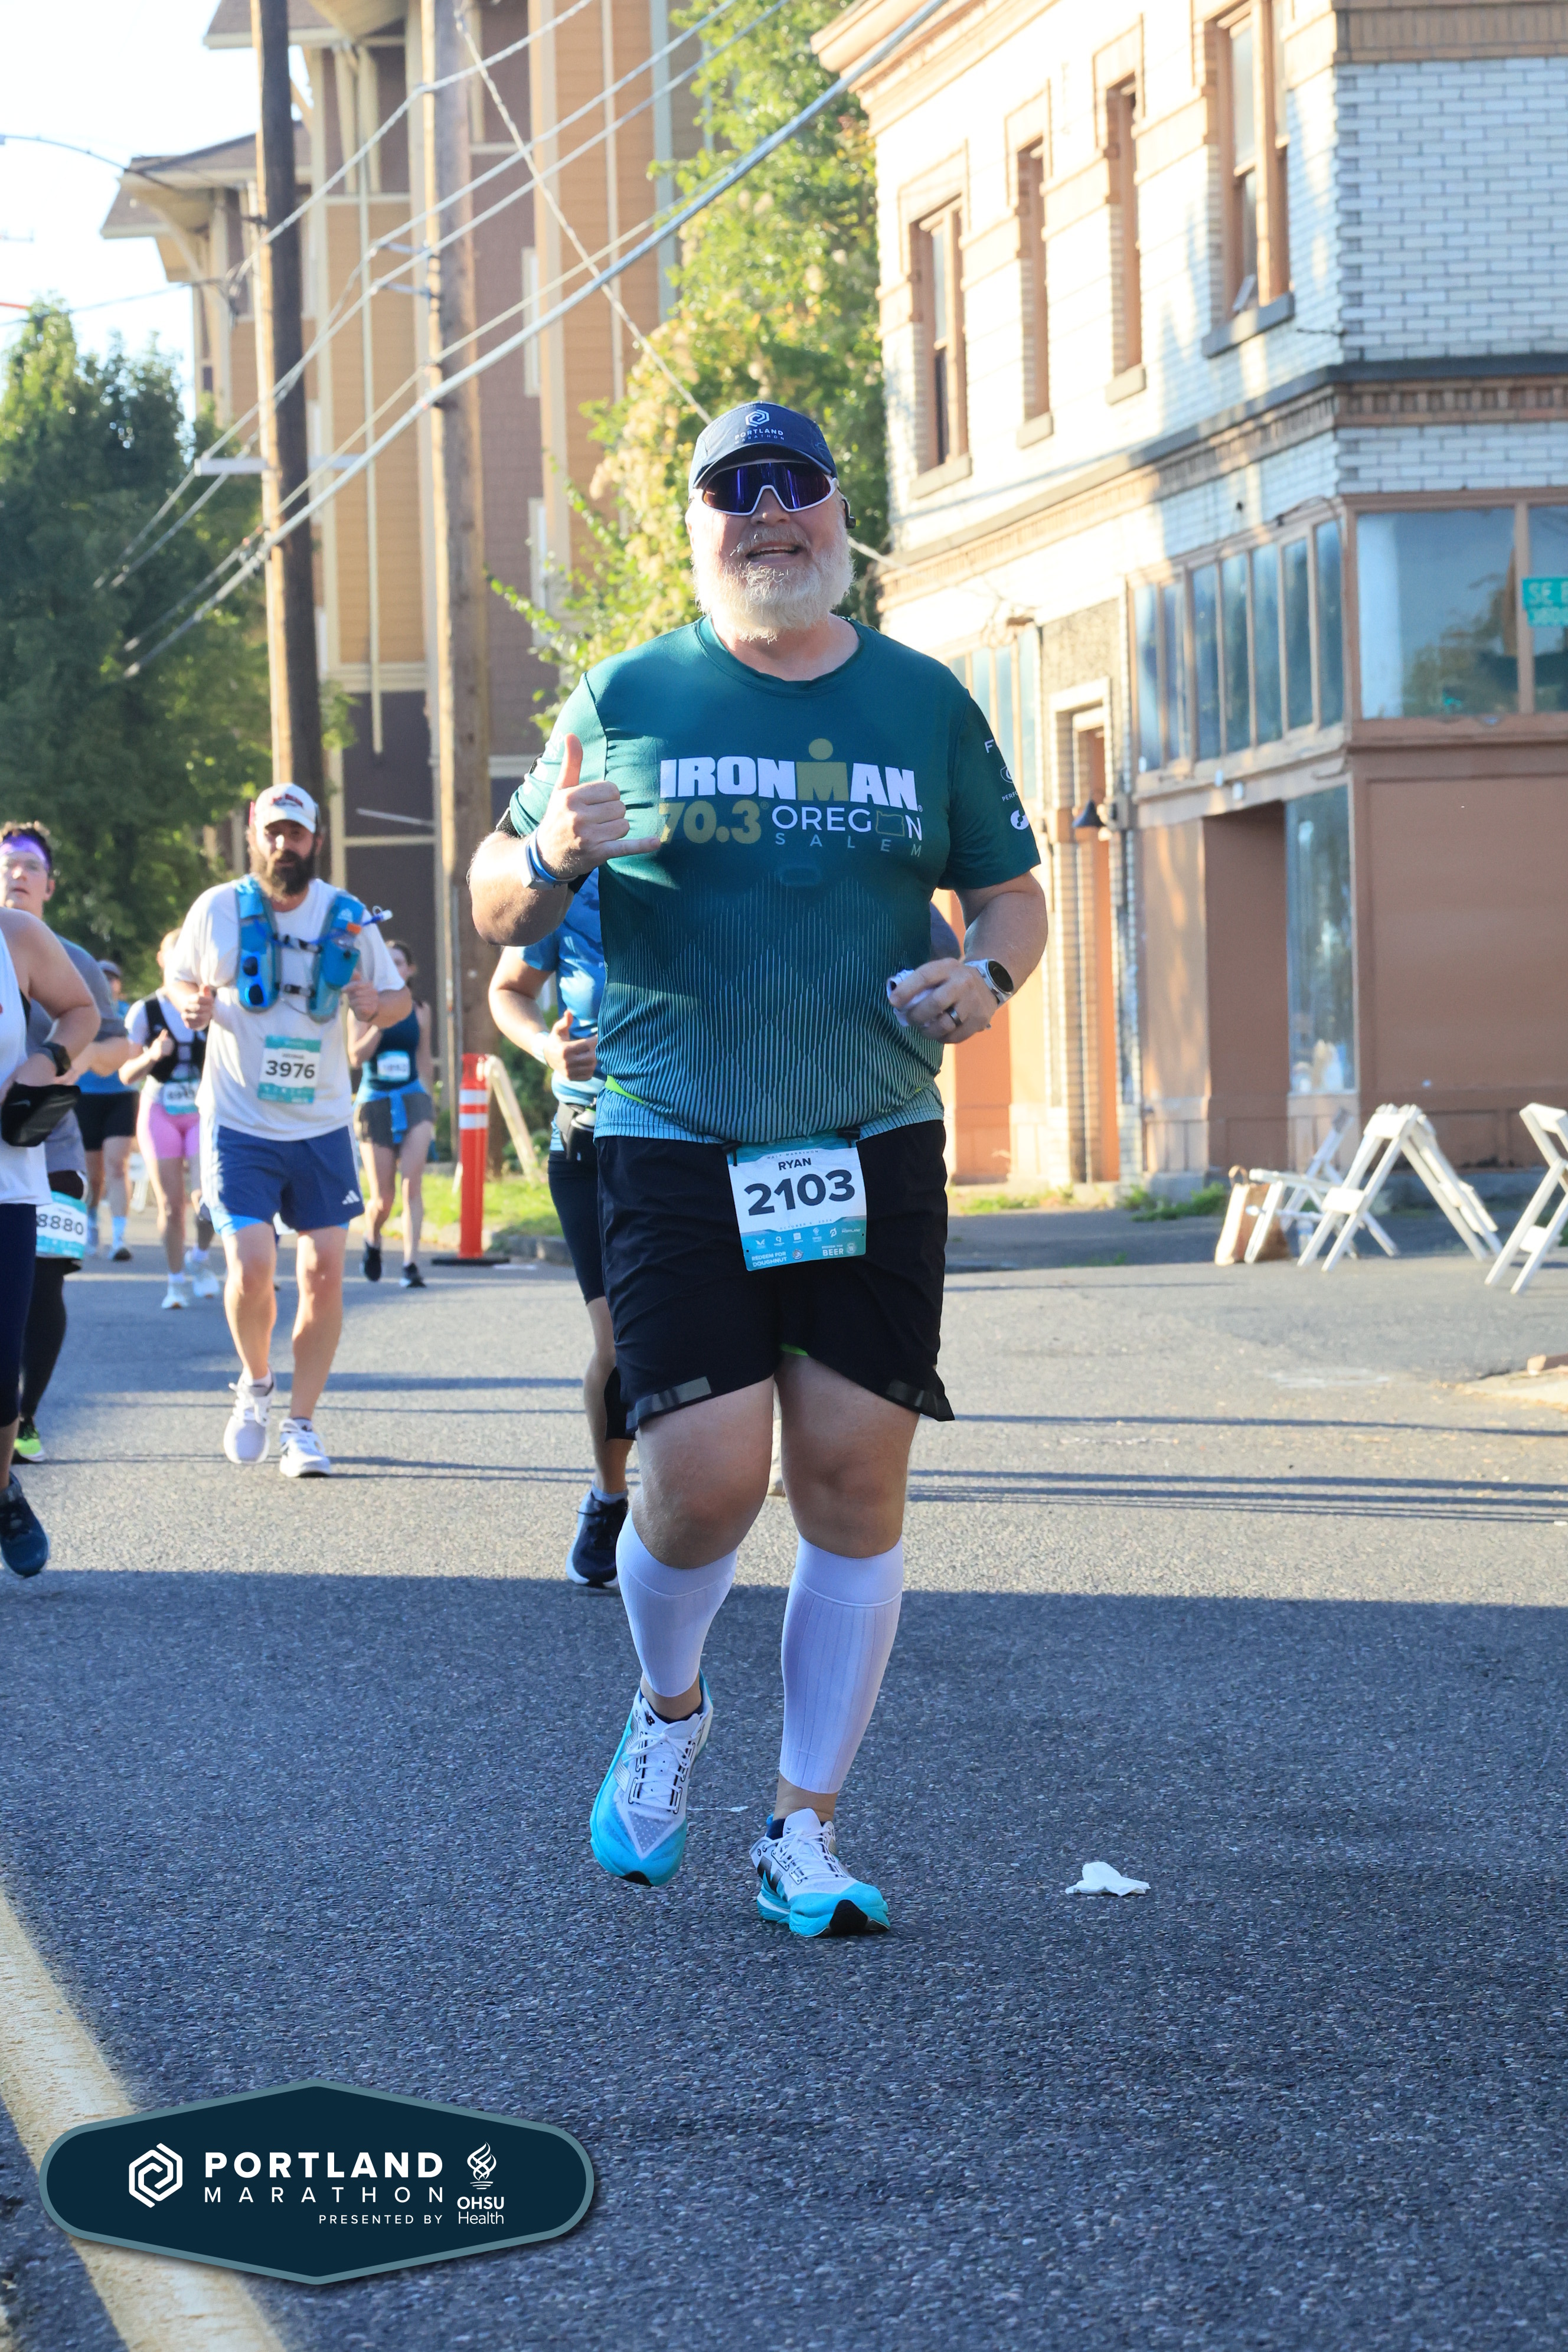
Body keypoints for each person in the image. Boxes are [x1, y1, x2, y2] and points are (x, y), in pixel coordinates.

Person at [471, 400, 1047, 1936]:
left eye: (798, 487)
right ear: (698, 525)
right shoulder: (629, 693)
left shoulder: (922, 700)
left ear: (840, 514)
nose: (770, 514)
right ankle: (668, 1710)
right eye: (736, 490)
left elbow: (1011, 896)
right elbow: (492, 902)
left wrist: (986, 977)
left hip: (869, 1132)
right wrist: (552, 858)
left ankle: (806, 1827)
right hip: (675, 1132)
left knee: (853, 1477)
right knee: (705, 1481)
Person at [167, 784, 410, 1476]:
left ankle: (301, 1426)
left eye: (295, 833)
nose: (283, 844)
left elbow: (398, 1000)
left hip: (322, 1123)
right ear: (254, 837)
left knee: (324, 1273)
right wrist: (190, 1006)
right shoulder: (217, 908)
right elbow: (179, 979)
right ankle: (255, 1385)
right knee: (251, 1264)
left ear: (316, 841)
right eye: (272, 832)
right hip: (239, 1120)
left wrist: (376, 1003)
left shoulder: (348, 916)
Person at [489, 868, 632, 1588]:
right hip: (590, 1137)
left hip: (696, 1136)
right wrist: (546, 1048)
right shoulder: (574, 882)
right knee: (619, 1344)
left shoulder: (713, 855)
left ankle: (702, 1490)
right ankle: (610, 1497)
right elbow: (508, 990)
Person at [0, 825, 132, 1465]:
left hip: (51, 1143)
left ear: (50, 885)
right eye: (7, 864)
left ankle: (24, 1416)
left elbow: (118, 1044)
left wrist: (64, 1062)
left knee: (44, 1282)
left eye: (30, 866)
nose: (17, 874)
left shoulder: (70, 957)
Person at [0, 897, 98, 1575]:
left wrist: (45, 1063)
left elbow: (81, 1010)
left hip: (5, 1185)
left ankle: (2, 1486)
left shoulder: (17, 936)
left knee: (1, 1367)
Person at [121, 930, 220, 1310]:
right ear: (162, 959)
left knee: (206, 1197)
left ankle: (200, 1257)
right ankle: (175, 1281)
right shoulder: (144, 1011)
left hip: (200, 1112)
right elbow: (125, 1074)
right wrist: (151, 1056)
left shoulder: (211, 1008)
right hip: (160, 1111)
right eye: (173, 954)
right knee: (171, 1204)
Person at [349, 940, 435, 1290]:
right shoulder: (362, 1007)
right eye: (388, 962)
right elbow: (355, 1056)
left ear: (410, 970)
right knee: (383, 1199)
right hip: (375, 1100)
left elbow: (423, 1058)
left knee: (412, 1184)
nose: (394, 968)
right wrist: (380, 1024)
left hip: (413, 1097)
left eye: (399, 962)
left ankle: (411, 1264)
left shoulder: (422, 1010)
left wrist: (430, 1102)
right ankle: (373, 1238)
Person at [76, 958, 138, 1260]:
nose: (107, 983)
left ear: (118, 984)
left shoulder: (128, 1014)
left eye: (112, 978)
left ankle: (119, 1238)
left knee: (117, 1165)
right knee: (93, 1175)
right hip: (86, 1097)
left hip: (121, 1096)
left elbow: (137, 1048)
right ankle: (91, 1222)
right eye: (102, 977)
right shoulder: (79, 1012)